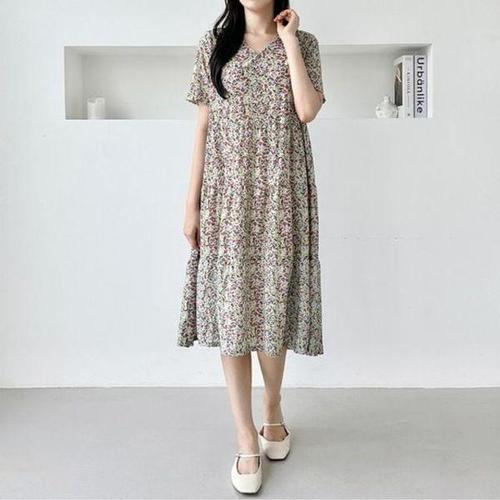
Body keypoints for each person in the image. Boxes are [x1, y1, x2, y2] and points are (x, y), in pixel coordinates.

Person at [177, 0, 326, 493]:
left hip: (282, 193)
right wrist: (192, 205)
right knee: (233, 313)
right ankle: (245, 436)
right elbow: (202, 129)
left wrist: (289, 42)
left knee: (274, 308)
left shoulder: (303, 45)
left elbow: (306, 110)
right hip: (227, 197)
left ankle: (272, 405)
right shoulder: (212, 45)